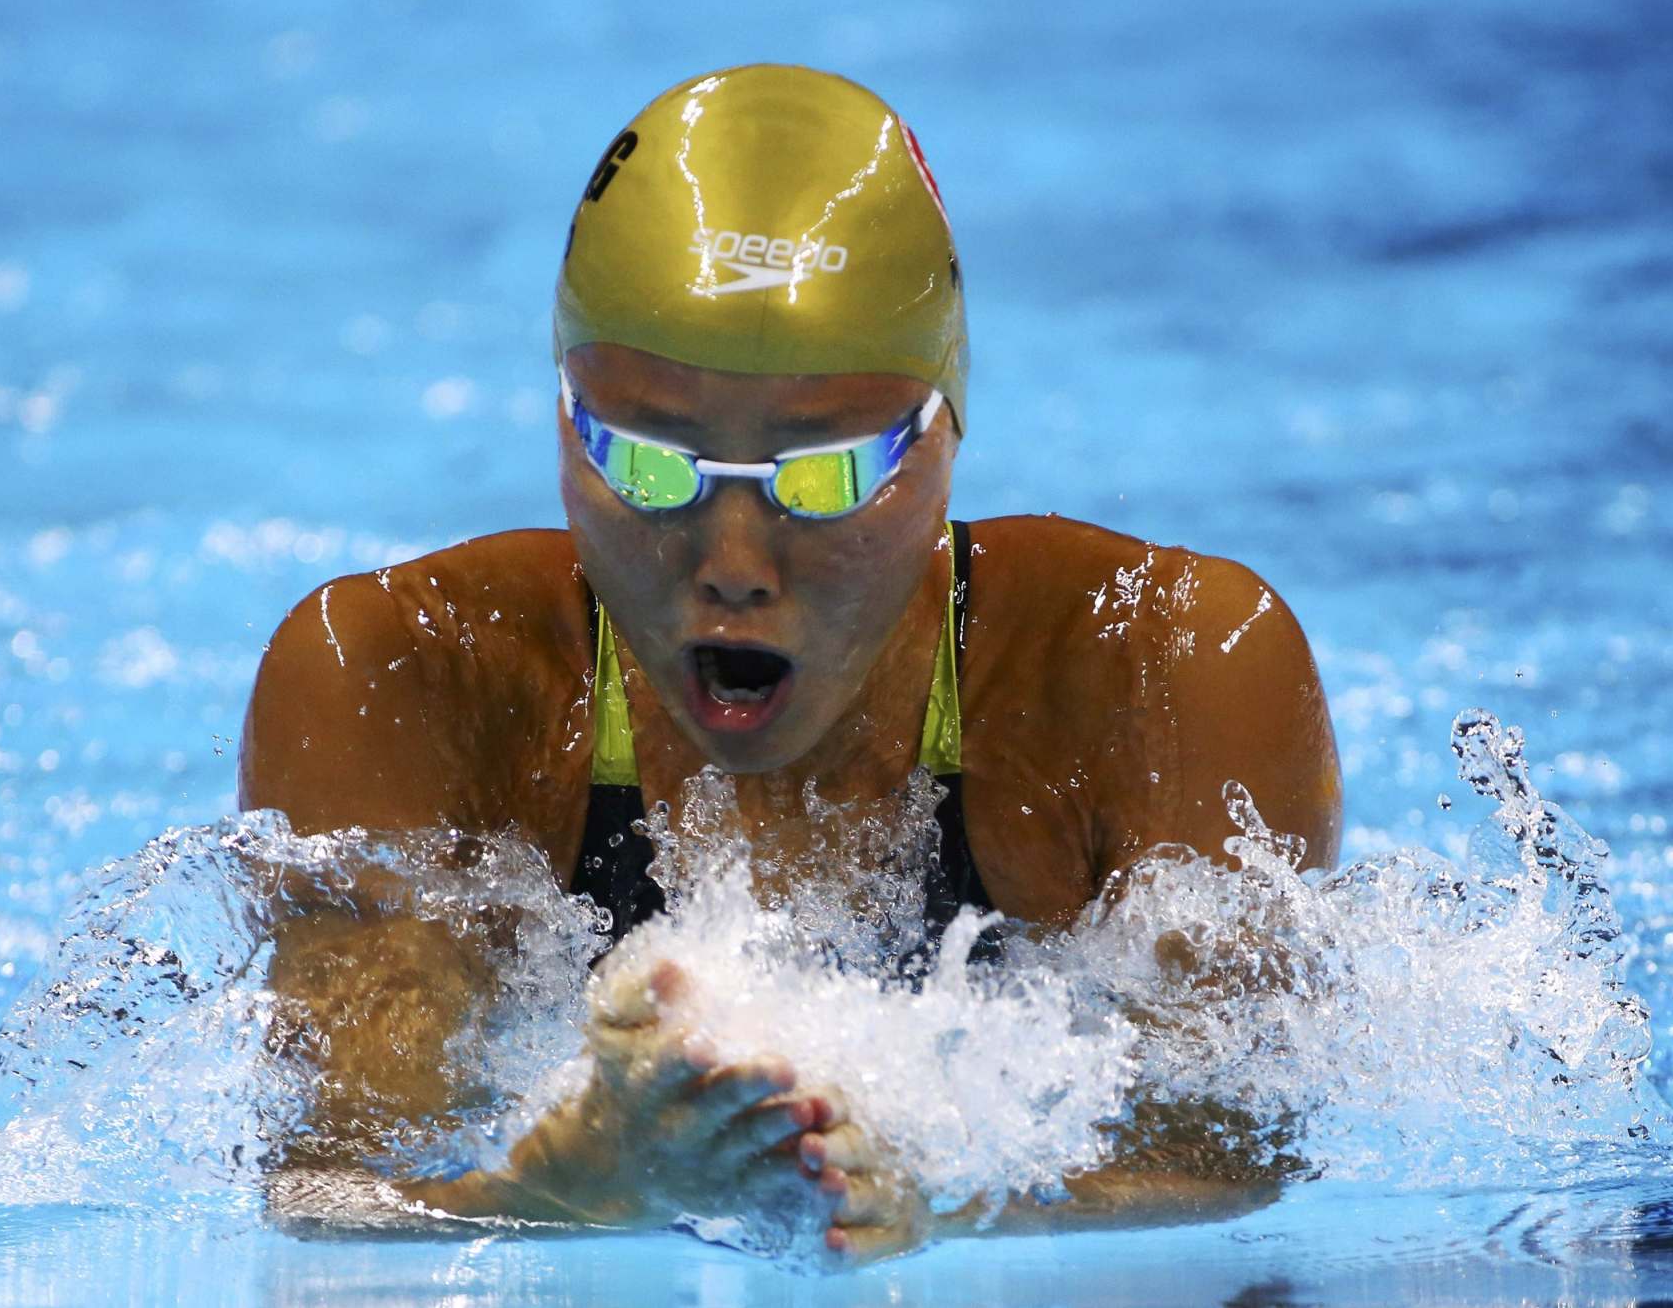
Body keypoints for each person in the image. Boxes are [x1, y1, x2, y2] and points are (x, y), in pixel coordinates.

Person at [240, 63, 1342, 1263]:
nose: (732, 563)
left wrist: (955, 1207)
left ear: (944, 433)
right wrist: (556, 1193)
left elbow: (1231, 1182)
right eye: (649, 466)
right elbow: (326, 1201)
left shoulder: (1164, 668)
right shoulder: (401, 682)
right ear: (564, 420)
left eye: (822, 479)